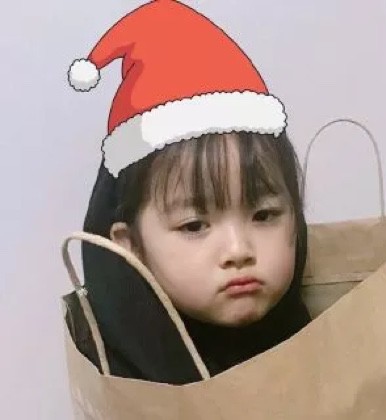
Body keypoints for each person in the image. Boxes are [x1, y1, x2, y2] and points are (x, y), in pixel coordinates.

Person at [68, 0, 311, 384]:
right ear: (129, 246)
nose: (238, 251)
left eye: (263, 215)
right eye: (195, 225)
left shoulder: (324, 341)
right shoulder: (124, 378)